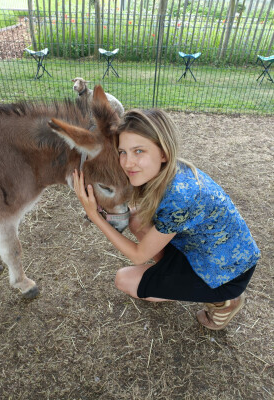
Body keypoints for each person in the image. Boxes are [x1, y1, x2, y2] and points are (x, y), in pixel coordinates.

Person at [73, 108, 260, 331]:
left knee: (124, 280)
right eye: (122, 152)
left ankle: (224, 303)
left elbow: (138, 256)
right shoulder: (169, 171)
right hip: (204, 251)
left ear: (163, 153)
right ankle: (169, 275)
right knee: (136, 219)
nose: (127, 163)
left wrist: (94, 215)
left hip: (226, 275)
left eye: (139, 151)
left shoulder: (180, 196)